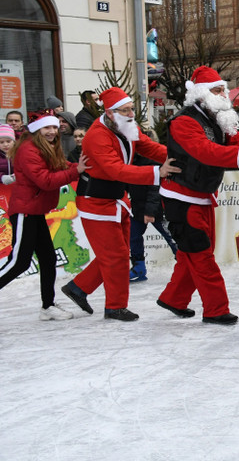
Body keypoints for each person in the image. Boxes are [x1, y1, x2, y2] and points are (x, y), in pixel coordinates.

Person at [60, 87, 180, 321]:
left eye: (131, 109)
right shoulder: (97, 136)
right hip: (95, 201)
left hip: (117, 199)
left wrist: (176, 156)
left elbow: (147, 146)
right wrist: (158, 172)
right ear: (110, 113)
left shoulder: (126, 126)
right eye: (124, 110)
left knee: (119, 253)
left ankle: (78, 288)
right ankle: (115, 306)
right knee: (115, 256)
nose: (130, 113)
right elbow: (115, 169)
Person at [156, 66, 239, 324]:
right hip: (181, 198)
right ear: (201, 94)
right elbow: (205, 151)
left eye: (223, 89)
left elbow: (237, 141)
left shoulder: (218, 117)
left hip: (201, 194)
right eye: (217, 90)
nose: (223, 94)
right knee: (202, 256)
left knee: (193, 253)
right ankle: (216, 309)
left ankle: (173, 299)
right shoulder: (184, 121)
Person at [0, 115, 87, 320]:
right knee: (19, 262)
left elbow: (61, 165)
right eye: (46, 127)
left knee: (48, 259)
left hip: (36, 210)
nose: (52, 132)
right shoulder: (28, 150)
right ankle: (47, 306)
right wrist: (77, 172)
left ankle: (47, 306)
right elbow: (45, 181)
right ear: (37, 129)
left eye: (54, 127)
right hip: (25, 211)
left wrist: (78, 167)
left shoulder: (46, 147)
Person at [127, 135, 177, 283]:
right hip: (137, 208)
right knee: (133, 237)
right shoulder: (130, 162)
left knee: (171, 238)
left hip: (157, 210)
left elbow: (155, 189)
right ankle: (139, 267)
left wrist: (150, 211)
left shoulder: (154, 162)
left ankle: (187, 265)